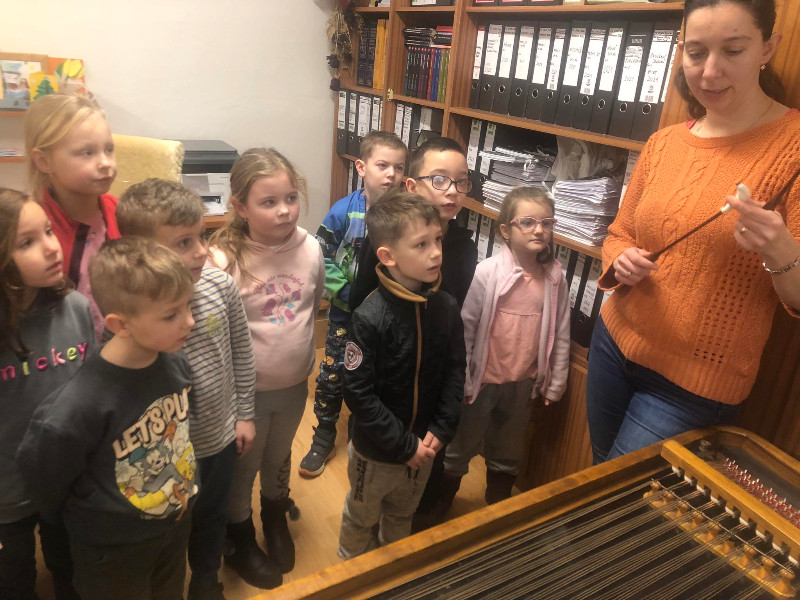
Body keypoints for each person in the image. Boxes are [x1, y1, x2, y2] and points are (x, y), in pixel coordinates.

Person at [586, 0, 800, 464]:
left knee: (622, 498)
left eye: (733, 50)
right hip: (613, 341)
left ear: (768, 48)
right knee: (597, 475)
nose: (710, 71)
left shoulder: (794, 148)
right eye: (696, 52)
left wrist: (782, 250)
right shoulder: (664, 142)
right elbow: (619, 232)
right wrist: (619, 258)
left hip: (694, 385)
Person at [17, 237, 198, 600]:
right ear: (119, 324)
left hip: (173, 525)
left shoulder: (176, 363)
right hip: (112, 548)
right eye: (171, 315)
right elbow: (45, 479)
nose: (190, 322)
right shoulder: (76, 406)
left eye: (188, 306)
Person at [116, 179, 258, 599]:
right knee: (170, 525)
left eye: (201, 237)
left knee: (212, 514)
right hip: (163, 453)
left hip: (218, 438)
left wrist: (245, 414)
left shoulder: (220, 286)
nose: (200, 252)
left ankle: (206, 577)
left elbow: (242, 353)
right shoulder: (132, 311)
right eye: (183, 243)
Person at [208, 148, 324, 586]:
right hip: (246, 395)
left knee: (279, 455)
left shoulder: (310, 248)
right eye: (269, 202)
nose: (284, 211)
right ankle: (239, 536)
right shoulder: (223, 260)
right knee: (244, 467)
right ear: (240, 207)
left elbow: (312, 306)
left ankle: (274, 515)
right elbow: (218, 338)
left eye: (291, 198)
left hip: (293, 385)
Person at [338, 190, 465, 559]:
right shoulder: (369, 317)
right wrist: (402, 445)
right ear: (387, 257)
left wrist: (442, 427)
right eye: (422, 244)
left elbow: (455, 370)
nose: (436, 252)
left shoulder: (446, 307)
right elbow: (358, 393)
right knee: (361, 519)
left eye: (437, 239)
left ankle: (393, 574)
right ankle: (351, 576)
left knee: (401, 518)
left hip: (424, 447)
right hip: (376, 453)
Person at [439, 187, 570, 515]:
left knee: (508, 449)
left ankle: (497, 508)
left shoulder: (555, 277)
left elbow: (561, 333)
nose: (539, 230)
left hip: (523, 383)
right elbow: (467, 329)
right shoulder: (488, 272)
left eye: (546, 223)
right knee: (460, 445)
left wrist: (556, 382)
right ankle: (440, 504)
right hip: (481, 383)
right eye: (527, 222)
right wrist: (463, 379)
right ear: (506, 230)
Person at [0, 188, 94, 600]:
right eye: (27, 242)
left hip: (66, 480)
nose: (52, 247)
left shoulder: (75, 307)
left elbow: (92, 391)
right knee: (14, 580)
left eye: (49, 231)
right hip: (7, 492)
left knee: (69, 568)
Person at [299, 131, 407, 478]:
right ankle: (324, 433)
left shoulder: (405, 215)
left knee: (378, 376)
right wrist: (342, 291)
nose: (391, 174)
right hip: (346, 313)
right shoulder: (344, 211)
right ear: (361, 167)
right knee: (333, 375)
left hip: (387, 316)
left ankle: (371, 431)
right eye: (382, 165)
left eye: (399, 167)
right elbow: (320, 254)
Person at [24, 93, 120, 340]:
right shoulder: (32, 229)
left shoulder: (122, 212)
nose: (105, 163)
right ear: (44, 161)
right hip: (62, 352)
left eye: (109, 150)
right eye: (87, 153)